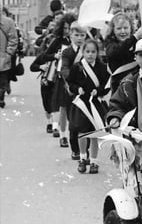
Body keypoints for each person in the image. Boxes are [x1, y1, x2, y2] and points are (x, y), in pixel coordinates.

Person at [67, 39, 109, 174]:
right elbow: (70, 83)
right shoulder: (77, 67)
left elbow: (106, 85)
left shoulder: (102, 68)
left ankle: (94, 161)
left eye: (93, 52)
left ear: (98, 53)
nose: (90, 55)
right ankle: (82, 158)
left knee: (95, 133)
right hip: (82, 105)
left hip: (95, 103)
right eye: (87, 51)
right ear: (83, 52)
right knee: (82, 132)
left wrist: (99, 91)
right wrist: (77, 88)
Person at [30, 13, 75, 137]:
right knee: (55, 101)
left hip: (72, 75)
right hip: (56, 75)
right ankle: (57, 127)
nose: (68, 31)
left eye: (70, 28)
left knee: (68, 103)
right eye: (65, 28)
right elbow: (44, 56)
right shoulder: (58, 40)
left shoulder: (77, 41)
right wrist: (55, 56)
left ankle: (64, 128)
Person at [107, 36, 142, 129]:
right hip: (136, 135)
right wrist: (115, 117)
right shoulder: (128, 82)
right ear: (135, 57)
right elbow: (117, 105)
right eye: (141, 55)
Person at [60, 22, 87, 158]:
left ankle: (85, 150)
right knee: (74, 122)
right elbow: (64, 68)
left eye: (82, 35)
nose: (79, 38)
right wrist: (71, 80)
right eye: (76, 35)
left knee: (86, 121)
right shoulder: (67, 52)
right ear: (71, 35)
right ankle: (75, 148)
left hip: (86, 91)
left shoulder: (89, 50)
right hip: (72, 90)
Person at [104, 12, 142, 93]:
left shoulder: (137, 42)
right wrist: (134, 38)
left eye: (126, 28)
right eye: (119, 28)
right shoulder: (110, 43)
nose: (123, 31)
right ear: (113, 30)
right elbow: (114, 52)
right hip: (119, 87)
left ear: (131, 28)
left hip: (137, 85)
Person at [0, 11, 18, 108]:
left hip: (3, 57)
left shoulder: (8, 22)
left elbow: (13, 39)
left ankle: (1, 97)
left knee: (3, 79)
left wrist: (9, 53)